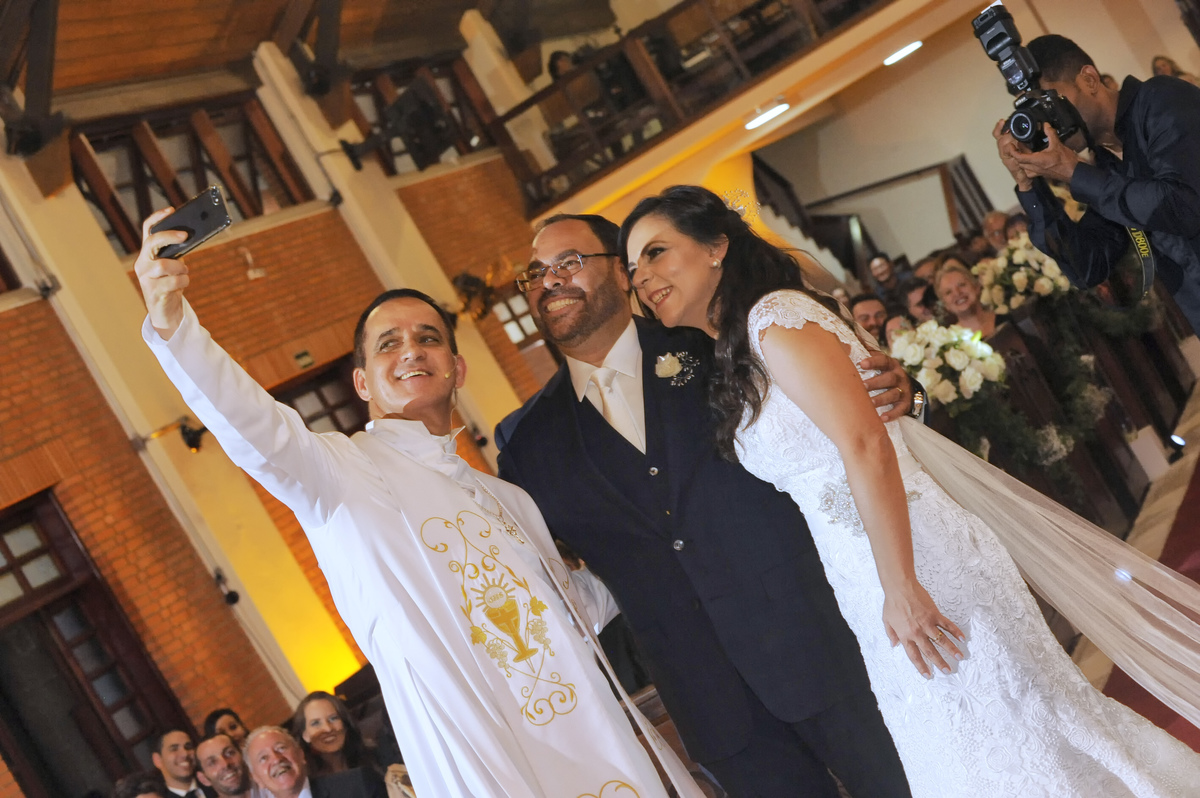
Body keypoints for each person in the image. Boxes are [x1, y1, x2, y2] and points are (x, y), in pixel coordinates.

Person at [620, 183, 1200, 798]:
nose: (644, 276)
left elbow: (866, 444)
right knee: (980, 757)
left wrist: (901, 586)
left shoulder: (774, 321)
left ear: (716, 247)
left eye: (656, 252)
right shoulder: (738, 346)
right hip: (867, 577)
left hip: (917, 564)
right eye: (633, 268)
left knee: (1018, 747)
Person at [134, 209, 695, 798]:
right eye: (388, 344)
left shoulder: (507, 499)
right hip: (478, 751)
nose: (411, 351)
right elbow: (252, 421)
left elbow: (575, 608)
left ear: (457, 370)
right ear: (361, 384)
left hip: (589, 737)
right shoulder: (335, 472)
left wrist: (669, 543)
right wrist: (172, 321)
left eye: (429, 338)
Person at [494, 213, 921, 798]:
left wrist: (905, 391)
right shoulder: (525, 444)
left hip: (824, 645)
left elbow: (840, 416)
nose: (549, 281)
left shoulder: (714, 339)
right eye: (535, 273)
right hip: (711, 707)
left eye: (568, 262)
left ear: (623, 271)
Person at [995, 34, 1200, 333]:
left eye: (1051, 106)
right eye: (1040, 116)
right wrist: (1029, 184)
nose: (1049, 125)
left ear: (1089, 79)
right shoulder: (1105, 165)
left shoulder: (1161, 98)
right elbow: (1086, 267)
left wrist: (1075, 173)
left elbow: (1182, 206)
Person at [245, 727, 383, 798]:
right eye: (263, 758)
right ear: (256, 778)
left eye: (281, 748)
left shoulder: (358, 784)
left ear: (301, 754)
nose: (276, 759)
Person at [289, 692, 379, 777]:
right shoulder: (306, 780)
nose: (328, 729)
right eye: (316, 723)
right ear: (305, 735)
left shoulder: (374, 755)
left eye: (333, 718)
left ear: (344, 722)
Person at [933, 262, 1004, 337]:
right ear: (945, 305)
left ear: (976, 287)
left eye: (961, 285)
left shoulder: (1004, 316)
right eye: (948, 292)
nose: (957, 293)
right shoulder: (952, 343)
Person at [150, 730, 202, 798]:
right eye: (174, 749)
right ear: (158, 760)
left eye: (188, 747)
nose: (185, 754)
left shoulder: (214, 785)